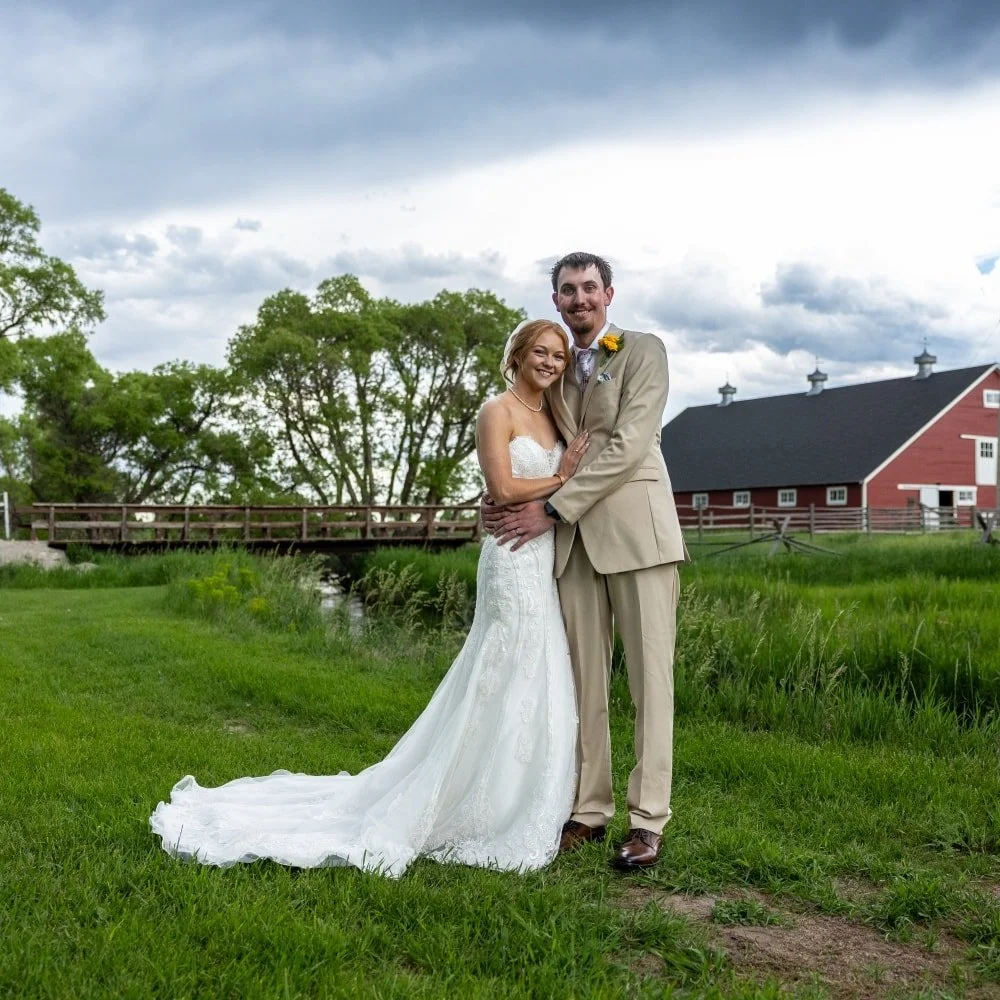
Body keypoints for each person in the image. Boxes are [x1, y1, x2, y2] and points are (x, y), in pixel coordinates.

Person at [150, 319, 590, 878]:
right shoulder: (496, 411)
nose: (550, 362)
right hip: (509, 559)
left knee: (537, 671)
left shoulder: (556, 415)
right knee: (501, 667)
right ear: (519, 355)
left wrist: (564, 480)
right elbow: (502, 490)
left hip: (542, 559)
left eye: (557, 355)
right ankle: (463, 800)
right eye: (540, 353)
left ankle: (522, 799)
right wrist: (563, 477)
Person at [484, 252, 685, 871]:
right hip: (571, 550)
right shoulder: (558, 370)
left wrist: (552, 509)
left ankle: (647, 821)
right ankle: (588, 809)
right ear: (556, 302)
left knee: (650, 680)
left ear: (609, 293)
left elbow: (627, 445)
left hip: (636, 537)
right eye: (567, 290)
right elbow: (531, 449)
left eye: (588, 288)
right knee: (582, 682)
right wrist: (498, 499)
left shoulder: (643, 351)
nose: (579, 299)